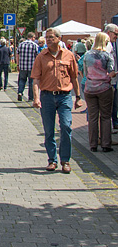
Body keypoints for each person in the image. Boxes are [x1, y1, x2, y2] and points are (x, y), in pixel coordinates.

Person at [31, 27, 82, 173]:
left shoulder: (68, 55)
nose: (48, 40)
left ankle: (65, 160)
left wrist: (78, 97)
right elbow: (35, 79)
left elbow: (74, 77)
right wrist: (36, 98)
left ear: (59, 38)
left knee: (66, 127)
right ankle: (52, 160)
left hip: (64, 96)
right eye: (47, 37)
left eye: (51, 37)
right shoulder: (41, 56)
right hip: (47, 96)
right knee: (48, 130)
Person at [83, 32, 116, 152]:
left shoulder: (87, 55)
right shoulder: (107, 55)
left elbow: (86, 73)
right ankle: (106, 144)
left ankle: (93, 144)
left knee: (92, 117)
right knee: (106, 116)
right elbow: (111, 72)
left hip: (90, 88)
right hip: (104, 88)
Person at [16, 32, 40, 102]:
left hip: (22, 66)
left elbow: (17, 55)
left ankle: (20, 92)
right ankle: (30, 97)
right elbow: (37, 56)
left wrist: (18, 64)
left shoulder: (21, 44)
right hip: (31, 67)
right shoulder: (35, 45)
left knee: (22, 80)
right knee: (31, 82)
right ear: (32, 37)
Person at [105, 23, 118, 131]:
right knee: (109, 107)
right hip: (109, 81)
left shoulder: (112, 44)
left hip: (112, 80)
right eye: (115, 34)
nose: (116, 36)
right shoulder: (107, 45)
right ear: (108, 33)